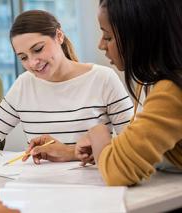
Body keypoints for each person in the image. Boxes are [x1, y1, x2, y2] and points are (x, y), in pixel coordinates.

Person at [25, 0, 182, 186]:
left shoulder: (172, 90)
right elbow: (140, 144)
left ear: (142, 35)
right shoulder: (148, 82)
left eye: (107, 37)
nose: (101, 45)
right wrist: (71, 151)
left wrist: (97, 131)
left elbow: (118, 171)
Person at [0, 10, 133, 162]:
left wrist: (71, 153)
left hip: (95, 186)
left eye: (38, 49)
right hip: (39, 187)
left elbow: (132, 142)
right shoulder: (24, 84)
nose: (32, 63)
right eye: (23, 57)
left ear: (59, 36)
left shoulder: (102, 78)